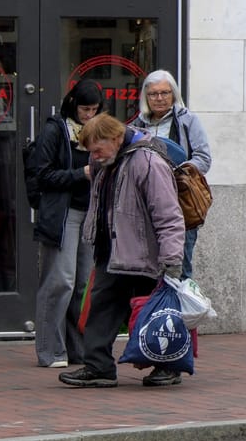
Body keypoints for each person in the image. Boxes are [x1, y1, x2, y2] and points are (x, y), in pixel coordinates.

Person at [57, 114, 186, 389]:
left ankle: (168, 366)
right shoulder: (103, 161)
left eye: (97, 149)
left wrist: (171, 259)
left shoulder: (148, 162)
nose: (94, 156)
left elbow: (169, 216)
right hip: (111, 250)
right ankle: (98, 367)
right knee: (101, 308)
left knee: (156, 312)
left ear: (116, 139)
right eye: (91, 151)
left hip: (145, 254)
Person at [30, 79, 103, 369]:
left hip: (90, 212)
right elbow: (42, 175)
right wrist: (79, 174)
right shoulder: (55, 130)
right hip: (64, 213)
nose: (89, 115)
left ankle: (78, 349)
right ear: (73, 104)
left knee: (83, 284)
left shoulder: (99, 129)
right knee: (61, 281)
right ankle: (50, 351)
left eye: (94, 109)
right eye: (85, 109)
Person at [129, 70, 211, 278]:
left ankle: (178, 300)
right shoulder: (135, 126)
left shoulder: (188, 121)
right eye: (153, 94)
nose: (159, 98)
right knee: (147, 269)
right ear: (145, 97)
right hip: (146, 206)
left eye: (165, 93)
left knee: (179, 267)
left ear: (173, 94)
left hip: (180, 204)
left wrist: (176, 174)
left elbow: (203, 158)